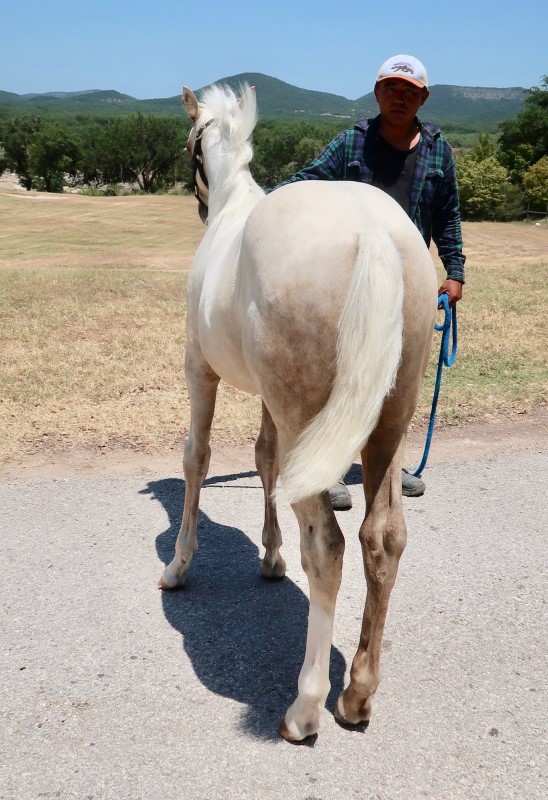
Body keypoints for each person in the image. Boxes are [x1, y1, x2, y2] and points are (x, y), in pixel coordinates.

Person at [277, 54, 465, 509]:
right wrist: (267, 206)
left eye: (410, 92)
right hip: (349, 281)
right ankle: (333, 467)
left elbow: (448, 217)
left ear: (423, 98)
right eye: (391, 89)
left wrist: (455, 272)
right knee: (342, 371)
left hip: (409, 283)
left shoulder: (438, 150)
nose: (399, 98)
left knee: (398, 378)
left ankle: (390, 463)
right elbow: (307, 181)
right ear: (377, 93)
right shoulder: (351, 143)